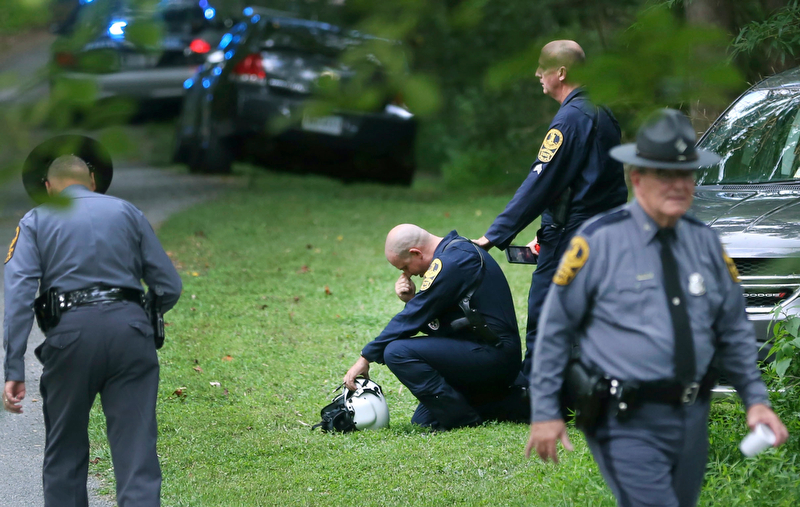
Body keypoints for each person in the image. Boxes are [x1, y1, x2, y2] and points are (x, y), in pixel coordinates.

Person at [525, 109, 789, 506]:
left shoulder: (707, 245)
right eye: (665, 174)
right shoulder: (597, 243)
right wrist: (545, 408)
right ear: (637, 178)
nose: (678, 185)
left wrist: (756, 400)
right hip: (624, 418)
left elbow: (732, 331)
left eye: (686, 174)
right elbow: (555, 330)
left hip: (691, 417)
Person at [2, 135, 183, 507]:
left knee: (65, 452)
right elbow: (169, 285)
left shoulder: (35, 219)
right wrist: (141, 317)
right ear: (93, 183)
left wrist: (14, 366)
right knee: (137, 454)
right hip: (132, 334)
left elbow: (19, 294)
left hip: (70, 338)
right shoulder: (127, 212)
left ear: (49, 188)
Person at [475, 40, 628, 378]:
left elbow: (540, 183)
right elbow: (605, 183)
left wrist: (493, 236)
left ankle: (536, 391)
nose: (537, 74)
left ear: (561, 72)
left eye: (542, 67)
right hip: (606, 232)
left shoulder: (571, 119)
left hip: (571, 236)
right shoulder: (603, 112)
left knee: (545, 310)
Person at [343, 224, 527, 430]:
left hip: (495, 357)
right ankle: (511, 401)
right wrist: (412, 299)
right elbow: (443, 327)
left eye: (405, 267)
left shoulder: (453, 261)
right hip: (480, 352)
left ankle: (463, 421)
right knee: (424, 420)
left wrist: (365, 357)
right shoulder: (454, 253)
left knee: (396, 352)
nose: (408, 274)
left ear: (416, 253)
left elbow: (413, 317)